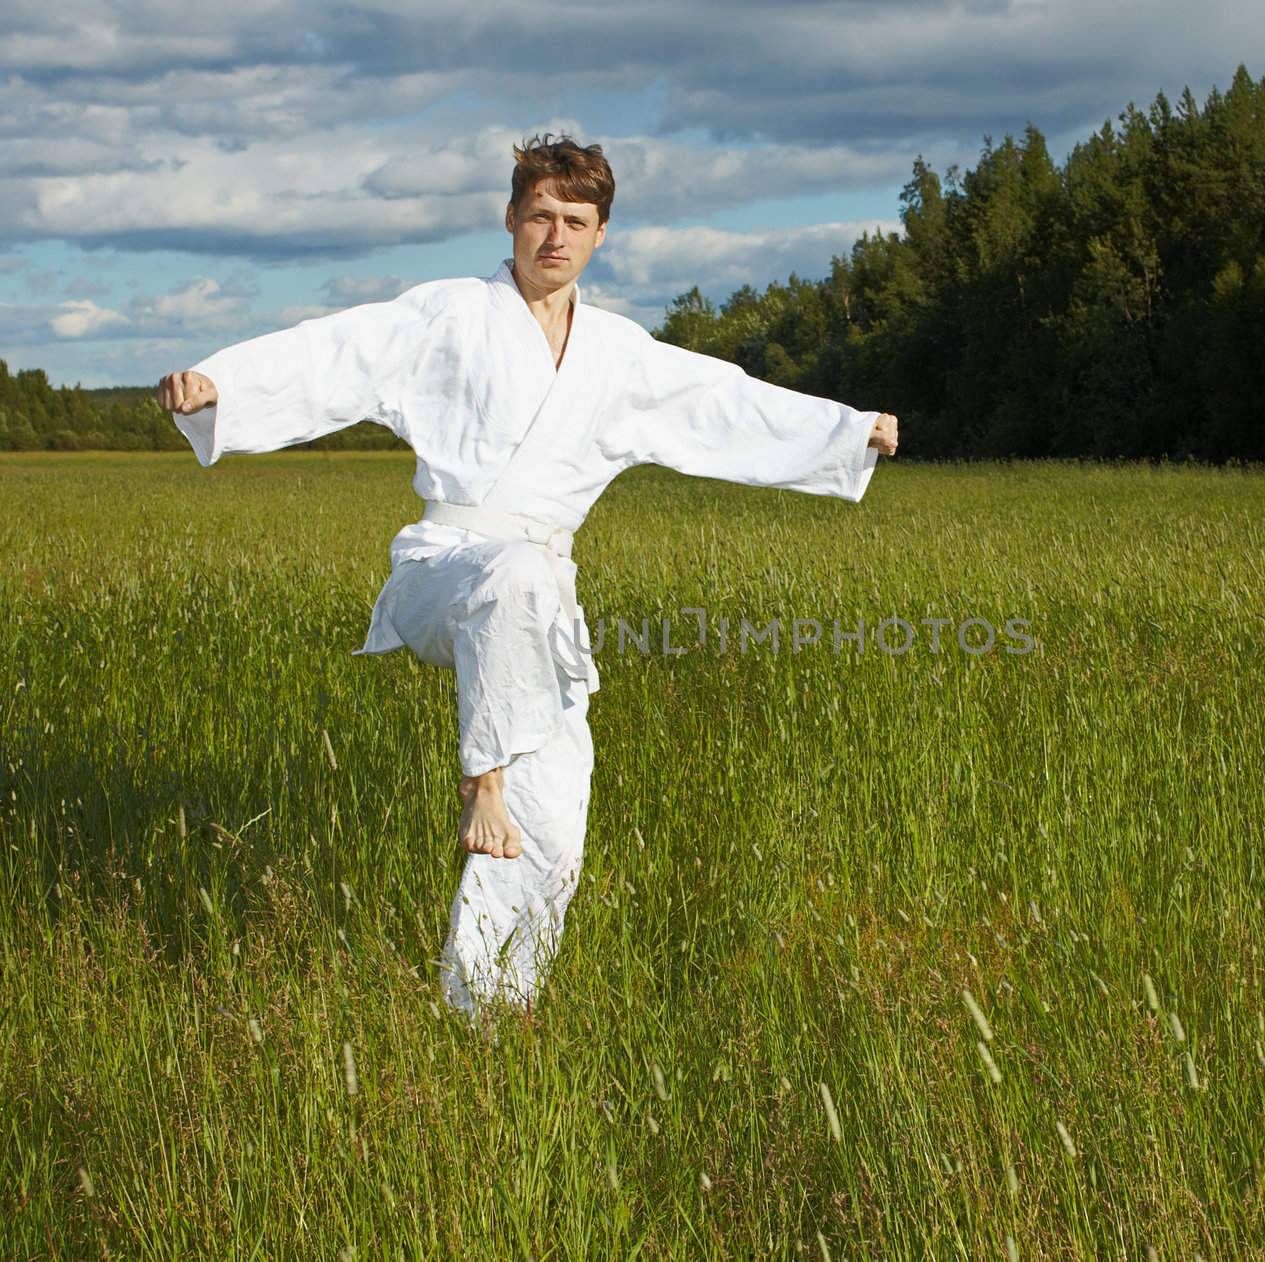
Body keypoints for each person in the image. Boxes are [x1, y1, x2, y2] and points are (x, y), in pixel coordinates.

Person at [156, 133, 900, 1023]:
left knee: (557, 807)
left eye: (575, 221)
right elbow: (337, 352)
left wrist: (845, 432)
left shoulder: (620, 355)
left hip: (539, 595)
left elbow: (723, 402)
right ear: (510, 219)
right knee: (509, 576)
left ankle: (488, 1007)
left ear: (599, 235)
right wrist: (221, 385)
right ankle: (483, 780)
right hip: (443, 570)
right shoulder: (448, 316)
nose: (555, 236)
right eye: (540, 216)